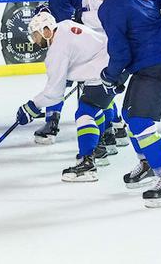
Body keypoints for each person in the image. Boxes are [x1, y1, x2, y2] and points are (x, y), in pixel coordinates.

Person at [87, 0, 161, 208]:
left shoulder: (108, 7)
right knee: (128, 116)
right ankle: (148, 164)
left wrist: (110, 76)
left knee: (140, 122)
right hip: (160, 59)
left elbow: (119, 52)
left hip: (155, 64)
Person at [14, 12, 117, 181]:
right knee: (94, 109)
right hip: (112, 64)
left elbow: (54, 94)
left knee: (85, 114)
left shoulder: (57, 49)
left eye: (36, 34)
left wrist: (31, 107)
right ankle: (98, 149)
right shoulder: (64, 26)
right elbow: (80, 54)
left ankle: (87, 164)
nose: (34, 39)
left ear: (46, 30)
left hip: (103, 72)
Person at [73, 0, 130, 146]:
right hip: (99, 49)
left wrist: (83, 17)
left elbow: (104, 19)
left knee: (96, 97)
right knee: (104, 94)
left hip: (105, 50)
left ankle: (105, 136)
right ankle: (116, 129)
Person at [31, 0, 86, 143]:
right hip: (86, 39)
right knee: (94, 86)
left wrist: (45, 12)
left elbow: (60, 26)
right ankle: (115, 127)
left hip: (74, 46)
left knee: (57, 82)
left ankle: (51, 124)